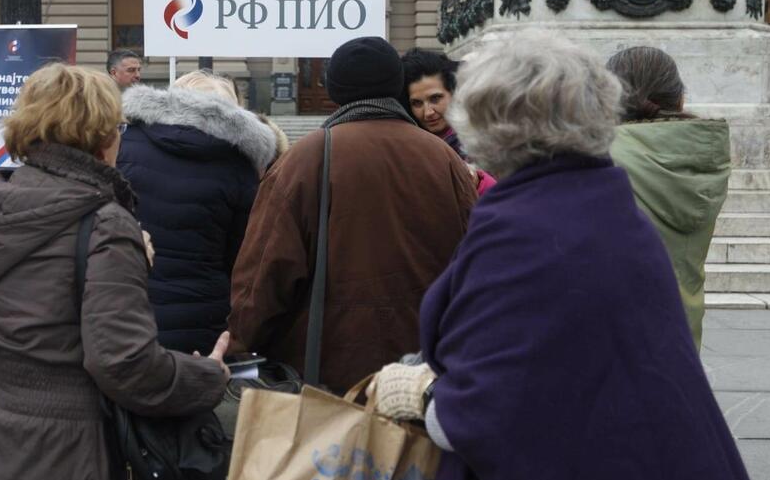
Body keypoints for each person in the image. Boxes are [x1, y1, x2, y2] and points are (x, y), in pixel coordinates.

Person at [367, 31, 758, 480]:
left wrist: (421, 393)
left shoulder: (523, 228)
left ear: (489, 126)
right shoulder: (609, 206)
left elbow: (487, 412)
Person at [0, 63, 229, 480]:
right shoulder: (102, 221)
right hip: (72, 455)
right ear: (100, 135)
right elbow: (124, 363)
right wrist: (207, 376)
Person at [228, 37, 477, 395]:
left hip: (328, 374)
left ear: (335, 90)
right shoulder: (444, 158)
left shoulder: (304, 160)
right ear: (397, 86)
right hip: (425, 372)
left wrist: (240, 343)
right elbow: (473, 258)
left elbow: (265, 271)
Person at [118, 71, 277, 355]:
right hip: (203, 316)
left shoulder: (126, 144)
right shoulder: (239, 166)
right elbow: (242, 255)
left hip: (126, 305)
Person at [607, 46, 730, 350]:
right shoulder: (705, 159)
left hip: (616, 349)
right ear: (680, 99)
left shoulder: (598, 163)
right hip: (682, 341)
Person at [400, 48, 496, 195]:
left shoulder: (485, 142)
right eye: (417, 103)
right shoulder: (409, 147)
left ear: (453, 93)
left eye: (435, 99)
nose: (428, 112)